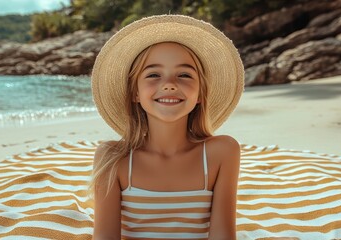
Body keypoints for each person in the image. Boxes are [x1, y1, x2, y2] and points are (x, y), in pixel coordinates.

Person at [90, 14, 244, 239]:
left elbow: (223, 236)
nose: (170, 85)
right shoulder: (113, 158)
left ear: (200, 93)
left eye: (184, 75)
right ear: (135, 93)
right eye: (153, 74)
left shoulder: (222, 152)